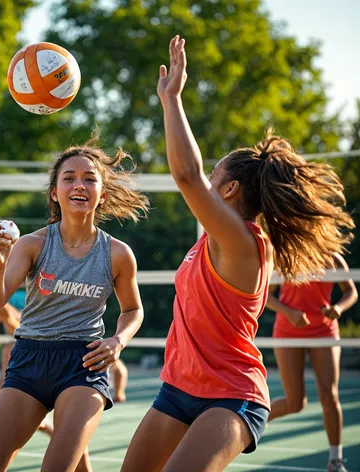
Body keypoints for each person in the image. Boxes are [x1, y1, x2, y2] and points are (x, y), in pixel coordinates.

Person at [121, 35, 355, 472]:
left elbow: (186, 175)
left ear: (229, 190)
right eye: (209, 173)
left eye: (215, 176)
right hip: (177, 388)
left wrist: (172, 101)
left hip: (231, 395)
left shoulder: (244, 242)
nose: (207, 180)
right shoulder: (211, 241)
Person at [0, 133, 149, 472]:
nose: (79, 185)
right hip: (29, 359)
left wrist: (117, 341)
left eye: (89, 179)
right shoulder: (32, 245)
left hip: (84, 363)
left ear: (102, 193)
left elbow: (133, 309)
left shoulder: (118, 254)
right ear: (55, 192)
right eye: (69, 178)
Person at [0, 302, 92, 472]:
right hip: (31, 370)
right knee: (65, 434)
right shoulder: (12, 334)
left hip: (48, 365)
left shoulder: (12, 318)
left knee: (68, 432)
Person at [267, 254, 358, 472]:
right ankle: (257, 418)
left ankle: (335, 460)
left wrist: (339, 308)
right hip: (288, 331)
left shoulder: (333, 259)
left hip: (324, 331)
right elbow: (266, 296)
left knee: (330, 395)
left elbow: (351, 291)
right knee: (295, 403)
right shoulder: (285, 257)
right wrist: (289, 312)